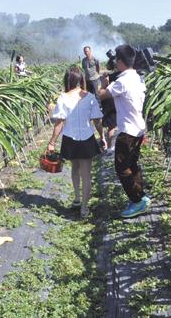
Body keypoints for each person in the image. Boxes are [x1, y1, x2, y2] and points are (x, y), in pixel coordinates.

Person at [48, 66, 107, 218]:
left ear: (67, 80)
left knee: (75, 167)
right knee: (86, 174)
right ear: (81, 79)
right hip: (87, 138)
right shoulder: (89, 97)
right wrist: (102, 136)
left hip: (70, 138)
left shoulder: (63, 97)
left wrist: (52, 142)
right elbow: (96, 120)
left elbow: (59, 123)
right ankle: (84, 209)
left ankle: (76, 198)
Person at [99, 44, 149, 218]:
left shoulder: (122, 82)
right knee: (132, 164)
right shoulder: (137, 77)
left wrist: (104, 84)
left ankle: (137, 201)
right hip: (139, 128)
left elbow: (102, 95)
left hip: (127, 131)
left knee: (122, 168)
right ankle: (140, 196)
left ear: (119, 61)